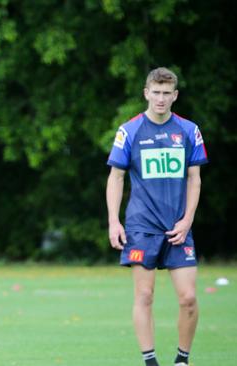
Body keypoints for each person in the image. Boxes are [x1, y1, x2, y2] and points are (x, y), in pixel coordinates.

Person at [106, 67, 208, 366]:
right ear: (146, 93)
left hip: (179, 226)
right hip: (141, 227)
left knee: (188, 298)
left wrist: (187, 219)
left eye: (167, 93)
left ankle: (182, 360)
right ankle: (150, 361)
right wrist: (114, 221)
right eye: (156, 92)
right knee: (145, 296)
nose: (161, 98)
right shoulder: (130, 131)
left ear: (174, 95)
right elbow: (115, 178)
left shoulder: (189, 131)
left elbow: (195, 179)